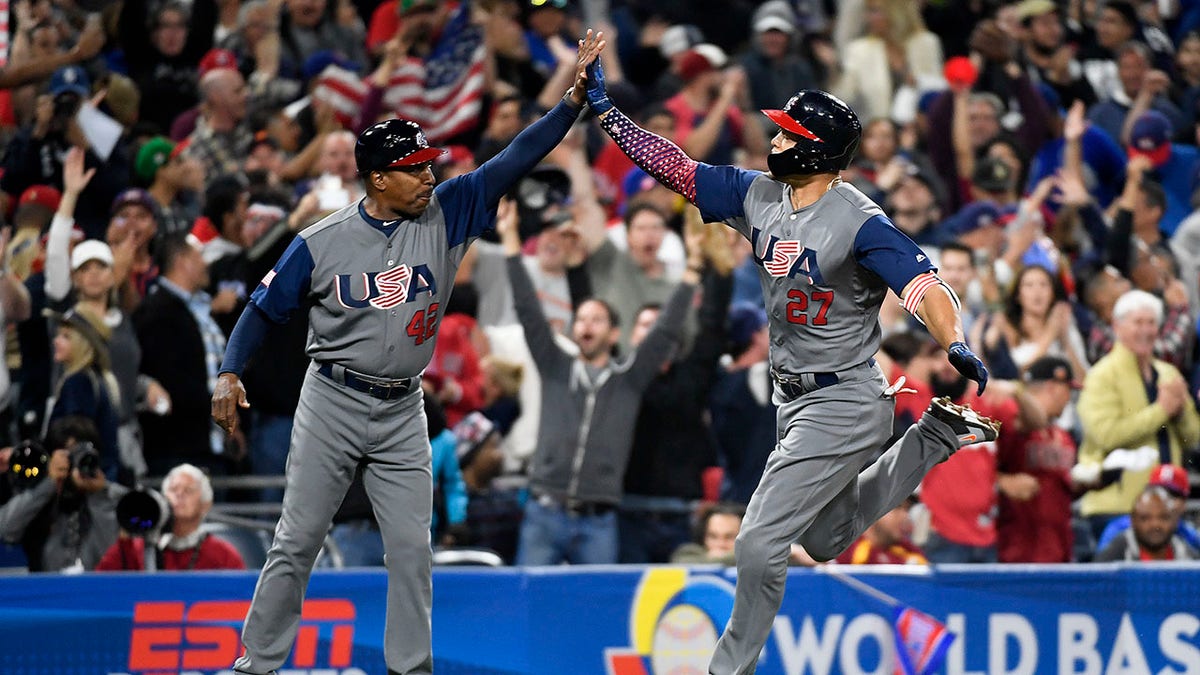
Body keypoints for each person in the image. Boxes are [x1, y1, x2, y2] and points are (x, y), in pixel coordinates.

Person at [210, 32, 606, 675]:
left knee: (413, 551)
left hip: (402, 408)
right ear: (378, 179)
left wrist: (568, 106)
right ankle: (256, 665)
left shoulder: (449, 211)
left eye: (428, 164)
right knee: (297, 540)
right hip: (333, 399)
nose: (429, 175)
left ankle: (410, 669)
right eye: (414, 168)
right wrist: (230, 371)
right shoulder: (321, 241)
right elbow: (260, 309)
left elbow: (513, 159)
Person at [585, 56, 997, 672]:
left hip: (843, 397)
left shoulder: (860, 222)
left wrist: (954, 340)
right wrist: (607, 112)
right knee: (824, 540)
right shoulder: (760, 195)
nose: (775, 140)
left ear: (816, 150)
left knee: (758, 541)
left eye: (788, 133)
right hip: (795, 398)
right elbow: (676, 167)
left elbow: (924, 286)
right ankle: (933, 437)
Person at [503, 199, 697, 566]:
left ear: (613, 334)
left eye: (597, 320)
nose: (586, 326)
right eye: (581, 319)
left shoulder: (629, 379)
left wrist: (694, 270)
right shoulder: (555, 365)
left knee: (597, 600)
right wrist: (511, 243)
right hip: (545, 511)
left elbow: (666, 329)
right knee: (531, 598)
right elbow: (528, 309)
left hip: (599, 519)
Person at [1076, 290, 1200, 540]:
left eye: (1151, 322)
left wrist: (1180, 413)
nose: (1146, 330)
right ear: (1117, 326)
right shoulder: (1101, 376)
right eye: (1138, 322)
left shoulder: (1169, 373)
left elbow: (1193, 437)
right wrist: (1161, 410)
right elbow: (1106, 435)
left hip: (1167, 508)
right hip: (1116, 507)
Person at [95, 463, 245, 571]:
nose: (179, 495)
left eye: (188, 490)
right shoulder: (136, 548)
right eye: (173, 489)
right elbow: (98, 585)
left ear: (205, 504)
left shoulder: (223, 555)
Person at [1096, 463, 1200, 552]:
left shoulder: (1189, 534)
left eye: (1172, 495)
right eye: (1157, 492)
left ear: (1184, 503)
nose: (1162, 500)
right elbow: (1102, 566)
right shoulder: (1119, 528)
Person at [1093, 485, 1200, 561]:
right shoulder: (1113, 556)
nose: (1155, 524)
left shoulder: (1187, 556)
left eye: (1163, 517)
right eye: (1145, 518)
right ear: (1133, 521)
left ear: (1174, 520)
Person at [834, 498, 926, 565]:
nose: (905, 516)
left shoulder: (910, 552)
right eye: (897, 507)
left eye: (908, 509)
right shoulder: (840, 552)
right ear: (871, 509)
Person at [671, 502, 746, 565]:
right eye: (713, 537)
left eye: (729, 537)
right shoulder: (688, 553)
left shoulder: (751, 557)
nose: (720, 544)